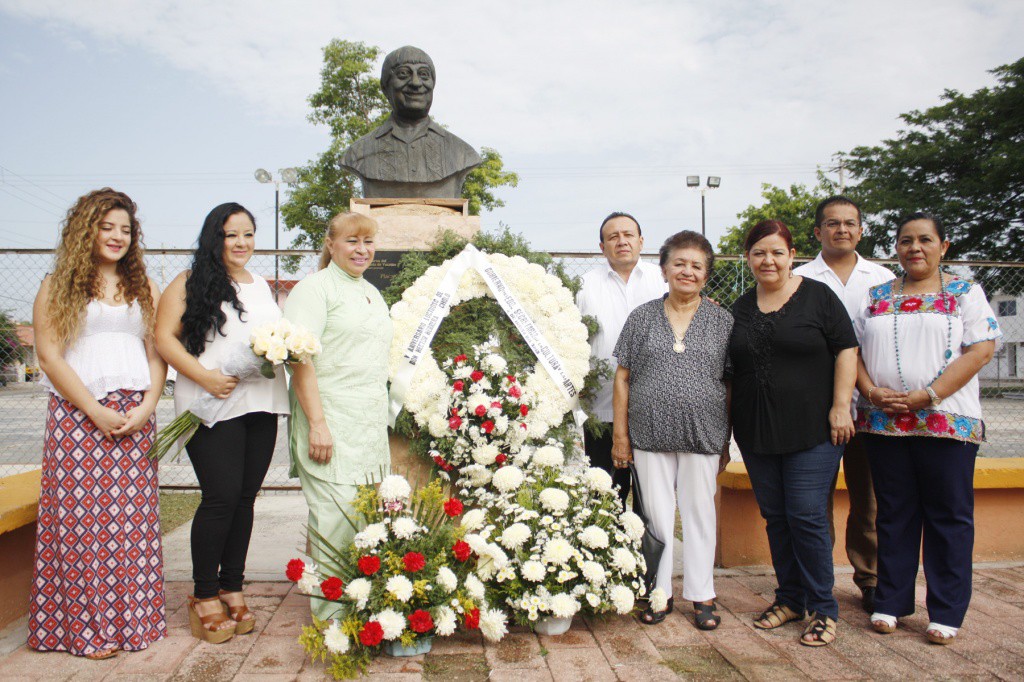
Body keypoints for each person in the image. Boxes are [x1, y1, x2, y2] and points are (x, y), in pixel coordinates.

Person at [29, 188, 166, 659]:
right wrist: (92, 408)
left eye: (125, 229)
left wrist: (148, 405)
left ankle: (133, 625)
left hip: (133, 414)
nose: (117, 236)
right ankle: (86, 632)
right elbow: (48, 355)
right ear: (85, 229)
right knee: (81, 524)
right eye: (107, 227)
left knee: (131, 524)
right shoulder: (57, 285)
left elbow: (156, 352)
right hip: (77, 413)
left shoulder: (143, 286)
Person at [854, 213, 999, 645]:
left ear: (943, 246)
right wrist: (871, 391)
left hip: (945, 421)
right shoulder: (877, 296)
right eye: (905, 241)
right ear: (896, 248)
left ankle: (947, 610)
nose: (914, 248)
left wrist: (930, 395)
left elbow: (981, 350)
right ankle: (891, 601)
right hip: (885, 422)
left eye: (924, 240)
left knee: (948, 517)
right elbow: (854, 351)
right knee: (894, 514)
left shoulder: (965, 293)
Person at [155, 203, 289, 643]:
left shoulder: (261, 286)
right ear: (215, 238)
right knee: (221, 497)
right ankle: (204, 595)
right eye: (232, 235)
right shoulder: (189, 282)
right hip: (211, 401)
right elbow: (162, 339)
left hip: (261, 402)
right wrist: (205, 378)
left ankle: (233, 585)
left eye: (248, 234)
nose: (242, 243)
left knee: (246, 497)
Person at [728, 220, 858, 647]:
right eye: (759, 252)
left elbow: (846, 349)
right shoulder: (741, 307)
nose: (768, 260)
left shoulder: (818, 297)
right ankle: (789, 599)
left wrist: (841, 406)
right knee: (778, 517)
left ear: (791, 254)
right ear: (748, 259)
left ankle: (824, 608)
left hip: (814, 429)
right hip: (757, 432)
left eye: (776, 252)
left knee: (806, 514)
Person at [610, 231, 733, 630]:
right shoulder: (642, 317)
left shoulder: (722, 320)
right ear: (663, 269)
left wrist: (726, 438)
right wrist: (621, 436)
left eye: (697, 266)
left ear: (706, 275)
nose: (687, 271)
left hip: (703, 433)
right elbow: (623, 377)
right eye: (679, 263)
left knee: (699, 513)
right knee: (657, 518)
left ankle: (702, 594)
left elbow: (730, 383)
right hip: (648, 433)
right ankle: (658, 592)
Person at [283, 212, 393, 622]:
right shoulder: (314, 289)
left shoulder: (370, 292)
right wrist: (317, 423)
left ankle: (360, 612)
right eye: (352, 241)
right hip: (328, 421)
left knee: (363, 521)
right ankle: (333, 625)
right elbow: (300, 360)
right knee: (335, 521)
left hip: (366, 425)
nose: (362, 249)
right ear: (330, 243)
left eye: (368, 242)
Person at [792, 196, 894, 613]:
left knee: (868, 500)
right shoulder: (799, 277)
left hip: (872, 405)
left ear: (861, 230)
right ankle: (816, 584)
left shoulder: (884, 278)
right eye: (832, 224)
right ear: (818, 232)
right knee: (813, 502)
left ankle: (870, 579)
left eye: (850, 223)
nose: (842, 230)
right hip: (819, 407)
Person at [341, 45, 481, 198]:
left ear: (432, 85)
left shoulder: (461, 153)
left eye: (424, 75)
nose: (415, 82)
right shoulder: (358, 153)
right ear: (385, 87)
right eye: (403, 74)